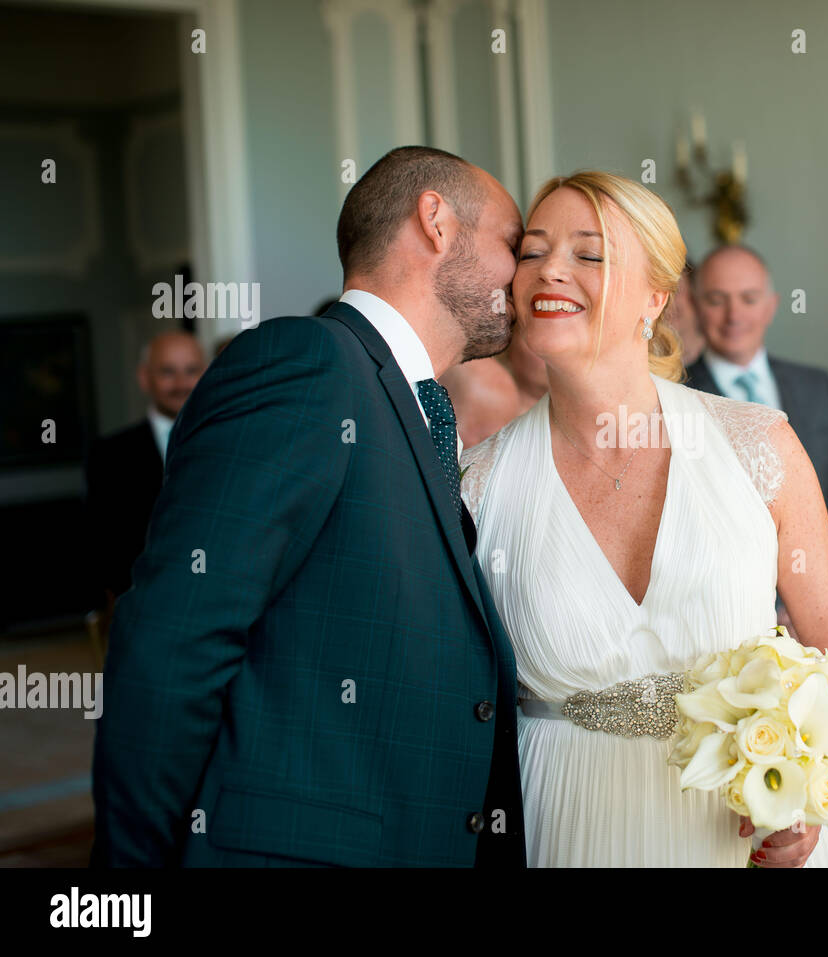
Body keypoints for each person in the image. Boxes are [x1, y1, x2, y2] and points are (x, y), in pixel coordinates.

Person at [92, 146, 526, 867]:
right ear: (437, 221)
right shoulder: (307, 362)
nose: (527, 271)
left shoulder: (418, 406)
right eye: (513, 244)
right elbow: (174, 640)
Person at [460, 171, 828, 867]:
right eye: (532, 250)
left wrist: (808, 806)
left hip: (734, 831)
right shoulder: (479, 483)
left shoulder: (758, 447)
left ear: (656, 296)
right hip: (565, 824)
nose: (551, 269)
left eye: (589, 253)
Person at [683, 245, 828, 606]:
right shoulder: (674, 396)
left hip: (823, 613)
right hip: (723, 616)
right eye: (717, 299)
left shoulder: (816, 386)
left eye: (749, 299)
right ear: (694, 305)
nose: (734, 315)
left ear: (771, 305)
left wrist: (826, 606)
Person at [84, 330, 205, 598]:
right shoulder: (109, 455)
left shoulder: (233, 443)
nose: (181, 383)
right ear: (144, 378)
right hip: (145, 605)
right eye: (167, 372)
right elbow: (102, 544)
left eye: (191, 370)